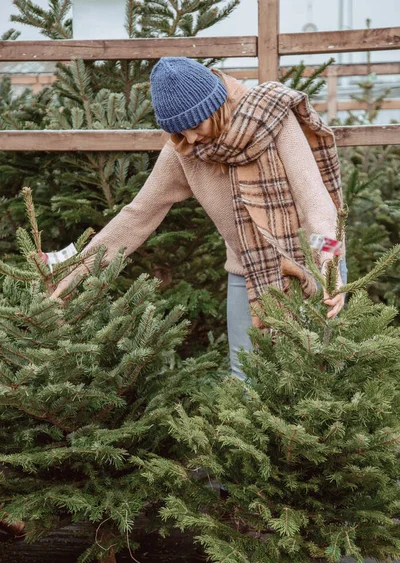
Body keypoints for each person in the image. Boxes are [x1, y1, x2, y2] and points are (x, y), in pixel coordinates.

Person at [51, 57, 347, 381]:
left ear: (216, 105)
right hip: (248, 271)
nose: (190, 139)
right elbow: (138, 215)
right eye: (180, 131)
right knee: (246, 378)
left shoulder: (272, 117)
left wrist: (329, 269)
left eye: (196, 125)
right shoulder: (184, 152)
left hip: (313, 264)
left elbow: (316, 204)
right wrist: (76, 270)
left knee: (316, 379)